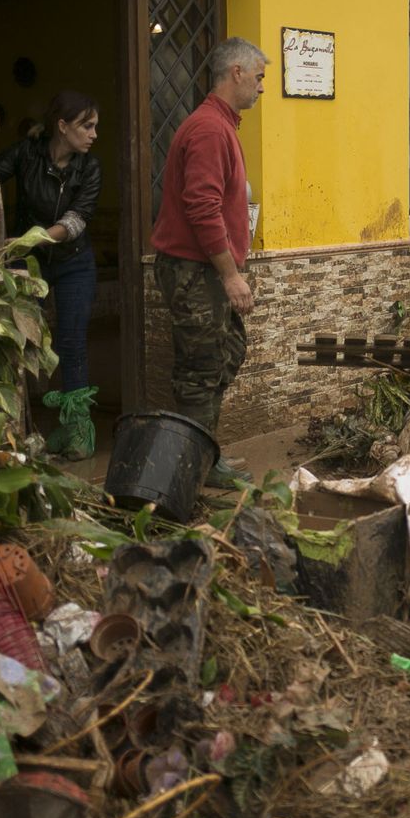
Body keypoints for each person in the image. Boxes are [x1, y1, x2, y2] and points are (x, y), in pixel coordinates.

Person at [150, 37, 267, 487]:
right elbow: (202, 206)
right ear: (235, 72)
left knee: (226, 352)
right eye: (258, 78)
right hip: (194, 272)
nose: (261, 88)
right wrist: (231, 275)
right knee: (200, 370)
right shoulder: (209, 129)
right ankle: (193, 472)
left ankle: (202, 454)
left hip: (204, 271)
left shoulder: (221, 126)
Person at [0, 90, 102, 459]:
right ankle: (15, 431)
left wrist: (29, 239)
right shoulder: (28, 153)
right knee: (21, 342)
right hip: (27, 264)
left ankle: (76, 432)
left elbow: (75, 221)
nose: (93, 134)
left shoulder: (90, 168)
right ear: (62, 126)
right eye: (86, 126)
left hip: (74, 261)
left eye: (95, 127)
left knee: (71, 342)